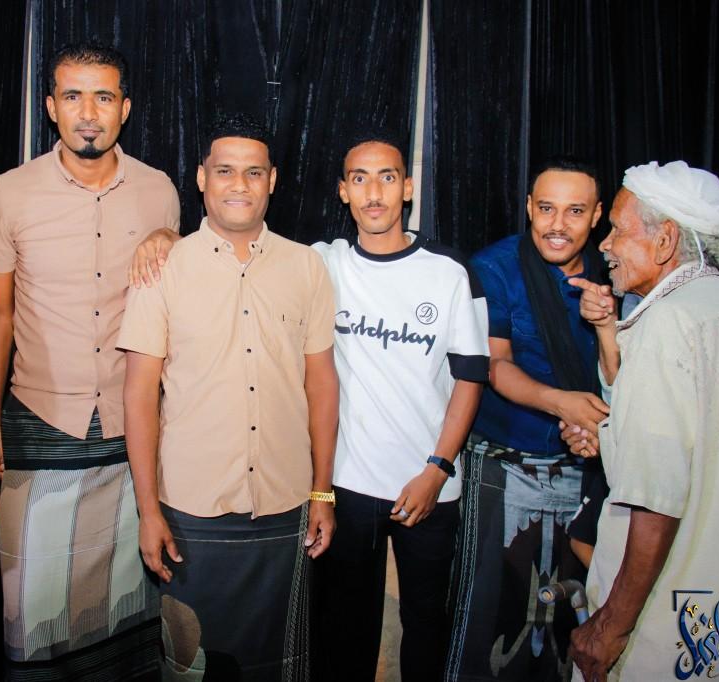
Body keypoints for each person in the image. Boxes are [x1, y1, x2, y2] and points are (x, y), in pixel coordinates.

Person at [0, 42, 180, 679]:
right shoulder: (9, 193)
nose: (87, 113)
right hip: (38, 421)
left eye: (102, 97)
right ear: (51, 107)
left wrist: (168, 237)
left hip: (132, 426)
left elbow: (175, 304)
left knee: (126, 598)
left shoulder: (159, 191)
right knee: (31, 603)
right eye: (73, 96)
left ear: (125, 108)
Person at [118, 112, 339, 680]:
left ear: (272, 180)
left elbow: (321, 384)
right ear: (201, 178)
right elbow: (139, 394)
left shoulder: (307, 267)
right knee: (192, 664)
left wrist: (322, 492)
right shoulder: (162, 268)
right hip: (191, 514)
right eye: (224, 171)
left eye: (253, 172)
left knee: (278, 666)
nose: (239, 184)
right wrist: (148, 511)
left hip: (285, 507)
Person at [568, 161, 719, 680]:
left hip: (668, 619)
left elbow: (655, 499)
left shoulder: (667, 323)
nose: (605, 245)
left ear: (665, 241)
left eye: (618, 229)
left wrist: (611, 626)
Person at [309, 132, 489, 682]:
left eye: (386, 177)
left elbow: (471, 378)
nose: (374, 193)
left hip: (428, 483)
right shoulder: (323, 263)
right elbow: (249, 249)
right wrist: (165, 236)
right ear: (343, 191)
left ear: (407, 188)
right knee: (346, 628)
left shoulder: (450, 270)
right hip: (350, 483)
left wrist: (437, 469)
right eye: (359, 179)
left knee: (427, 625)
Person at [445, 157, 610, 682]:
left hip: (589, 468)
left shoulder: (614, 271)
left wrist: (595, 418)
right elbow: (495, 365)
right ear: (529, 208)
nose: (558, 224)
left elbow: (629, 373)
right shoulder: (494, 268)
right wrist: (565, 404)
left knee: (572, 616)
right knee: (490, 611)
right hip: (503, 466)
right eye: (546, 209)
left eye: (575, 211)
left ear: (597, 216)